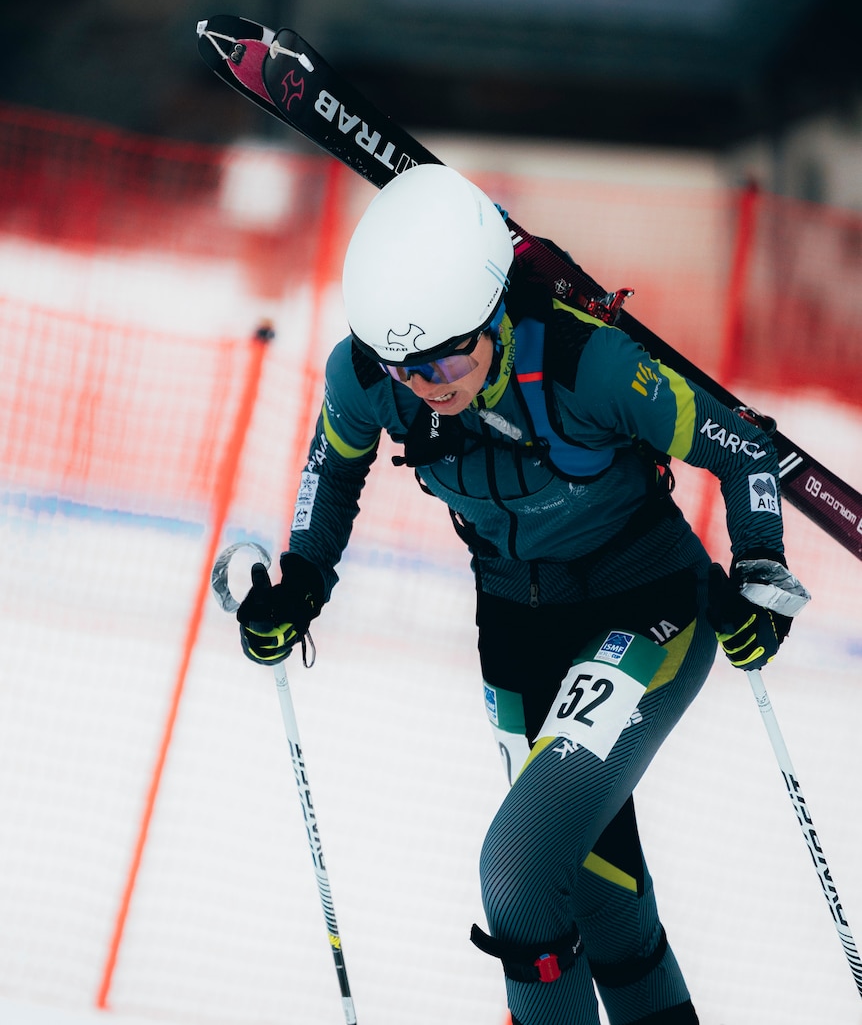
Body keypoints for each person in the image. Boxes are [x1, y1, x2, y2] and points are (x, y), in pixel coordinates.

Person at [236, 164, 810, 1025]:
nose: (431, 380)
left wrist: (759, 568)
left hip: (645, 602)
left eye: (450, 353)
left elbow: (740, 444)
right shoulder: (368, 374)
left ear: (494, 312)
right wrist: (303, 580)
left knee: (519, 869)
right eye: (408, 364)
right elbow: (333, 464)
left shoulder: (589, 362)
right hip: (512, 626)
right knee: (597, 893)